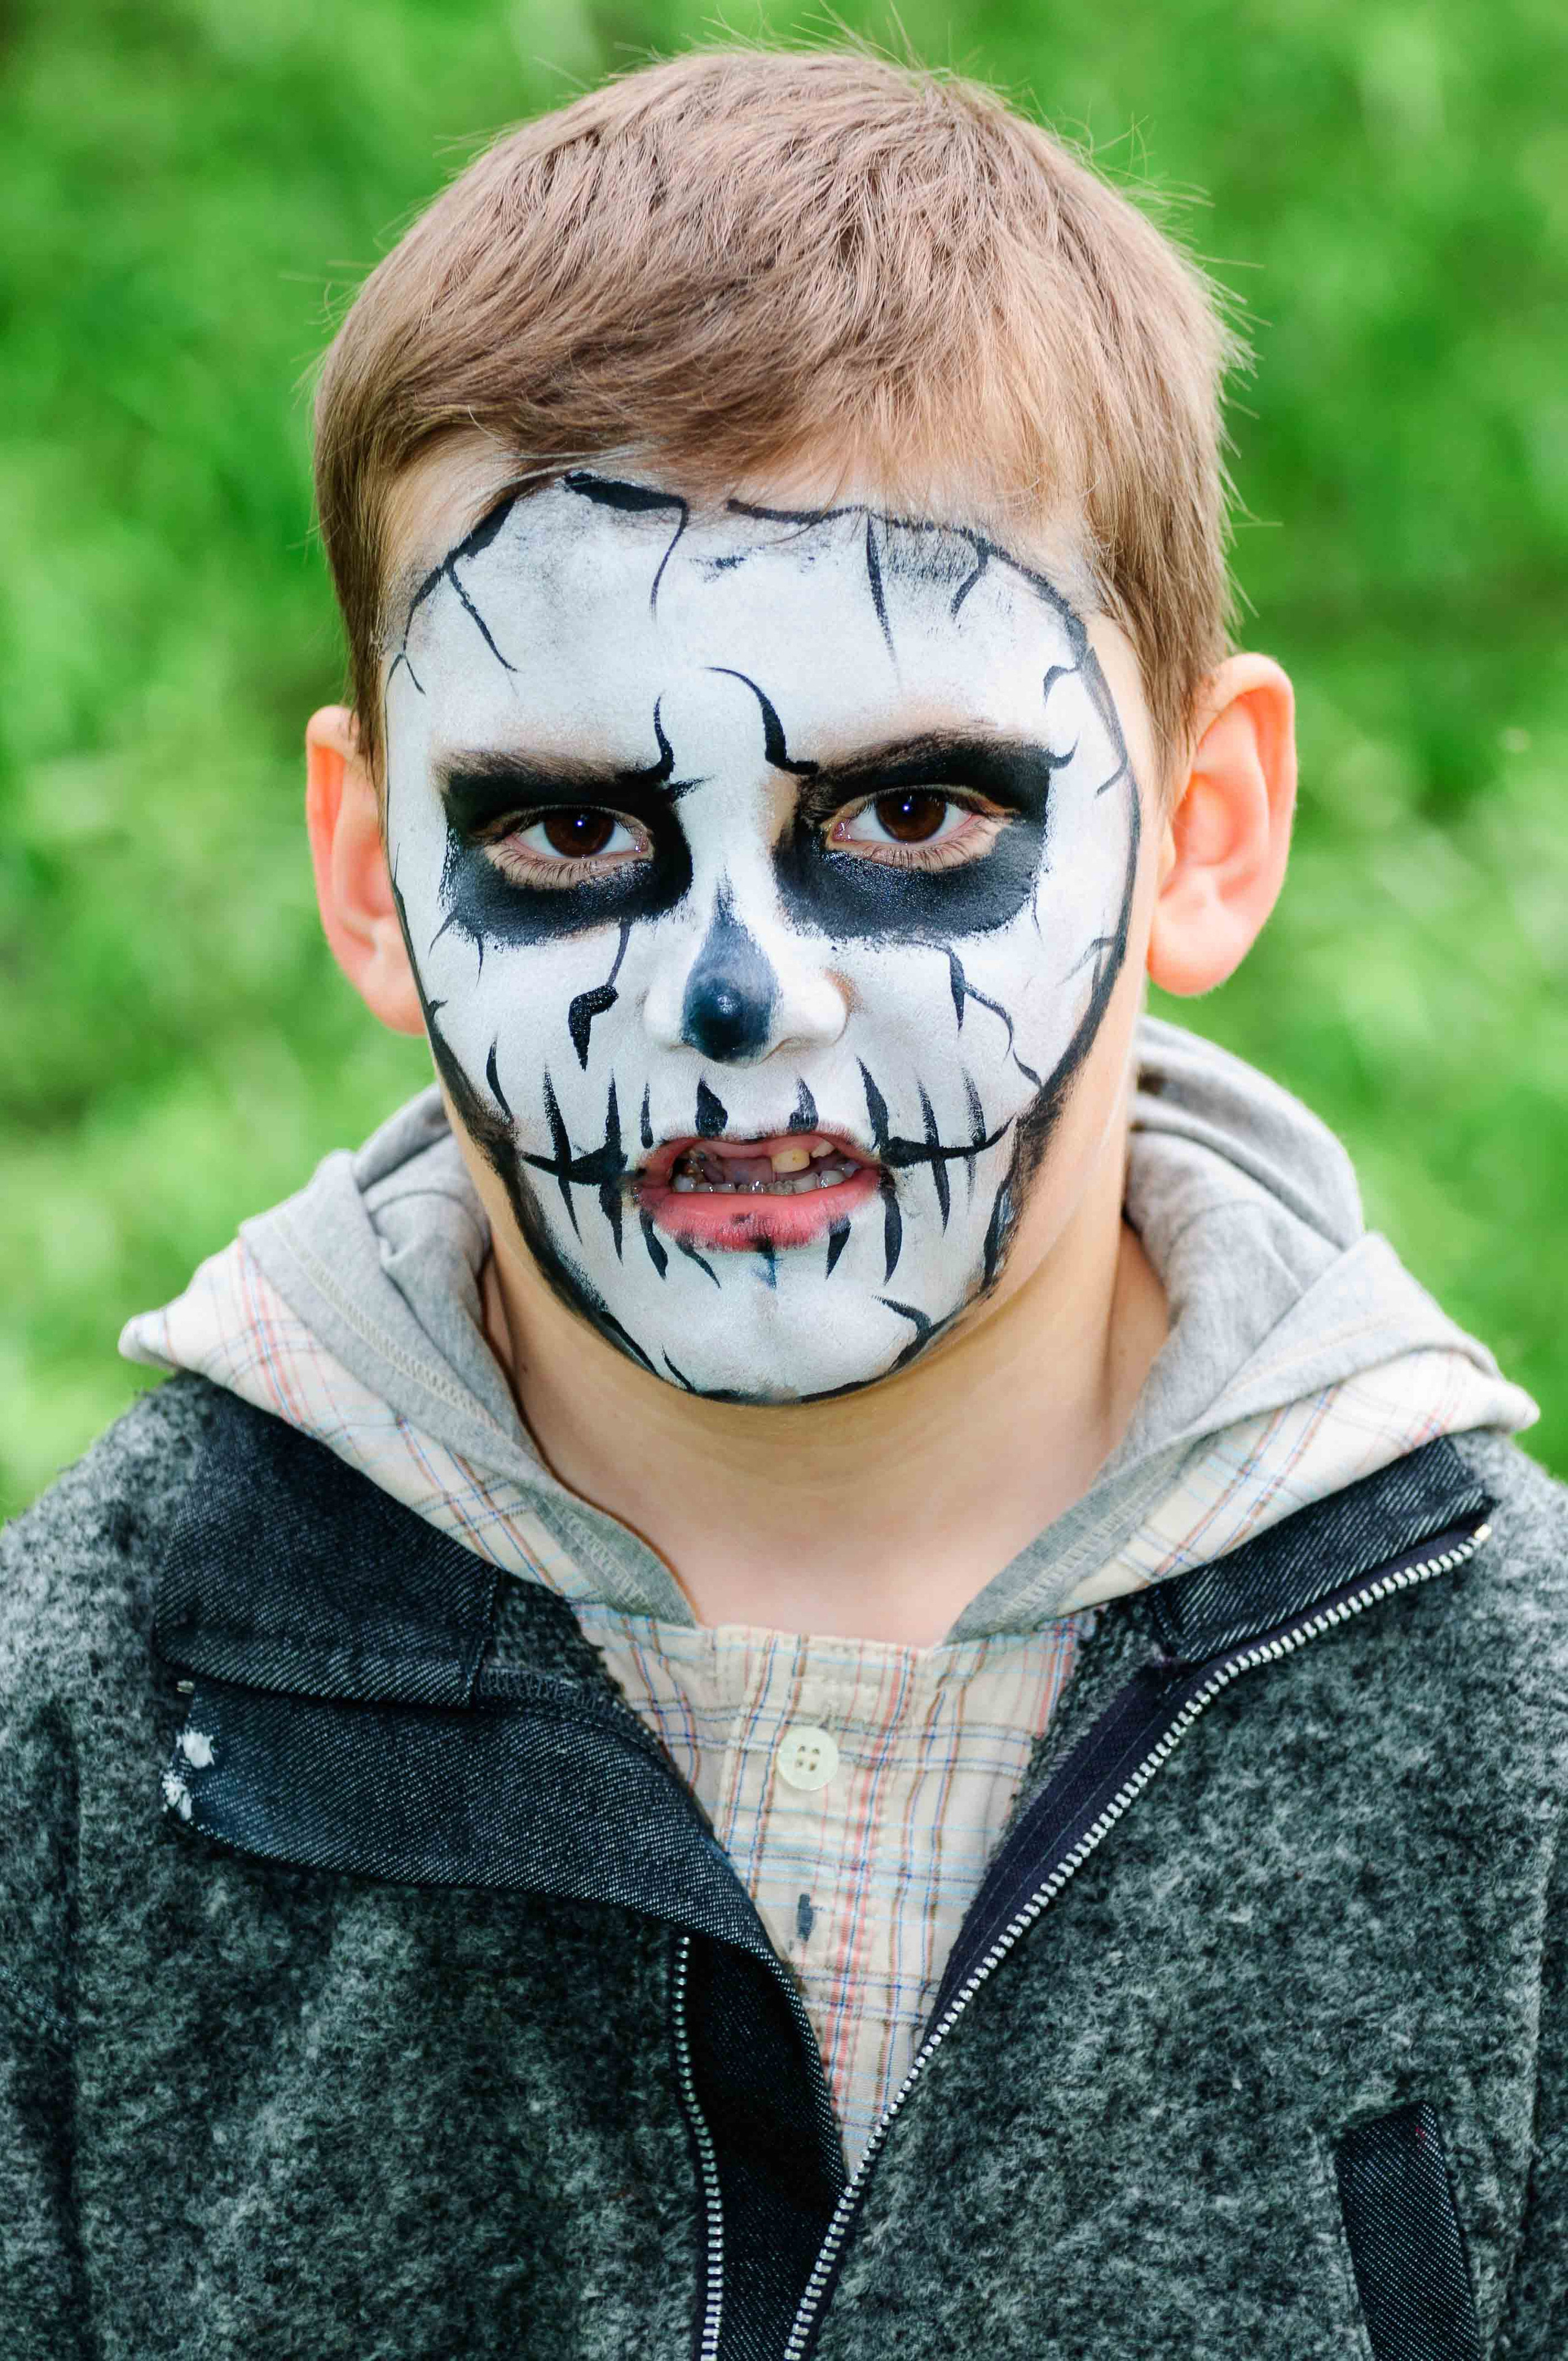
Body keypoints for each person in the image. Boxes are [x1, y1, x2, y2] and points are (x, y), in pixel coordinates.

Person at [2, 45, 1563, 2361]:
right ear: (369, 872)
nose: (741, 1003)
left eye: (918, 817)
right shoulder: (79, 1728)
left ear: (1210, 824)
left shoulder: (1513, 1745)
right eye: (565, 833)